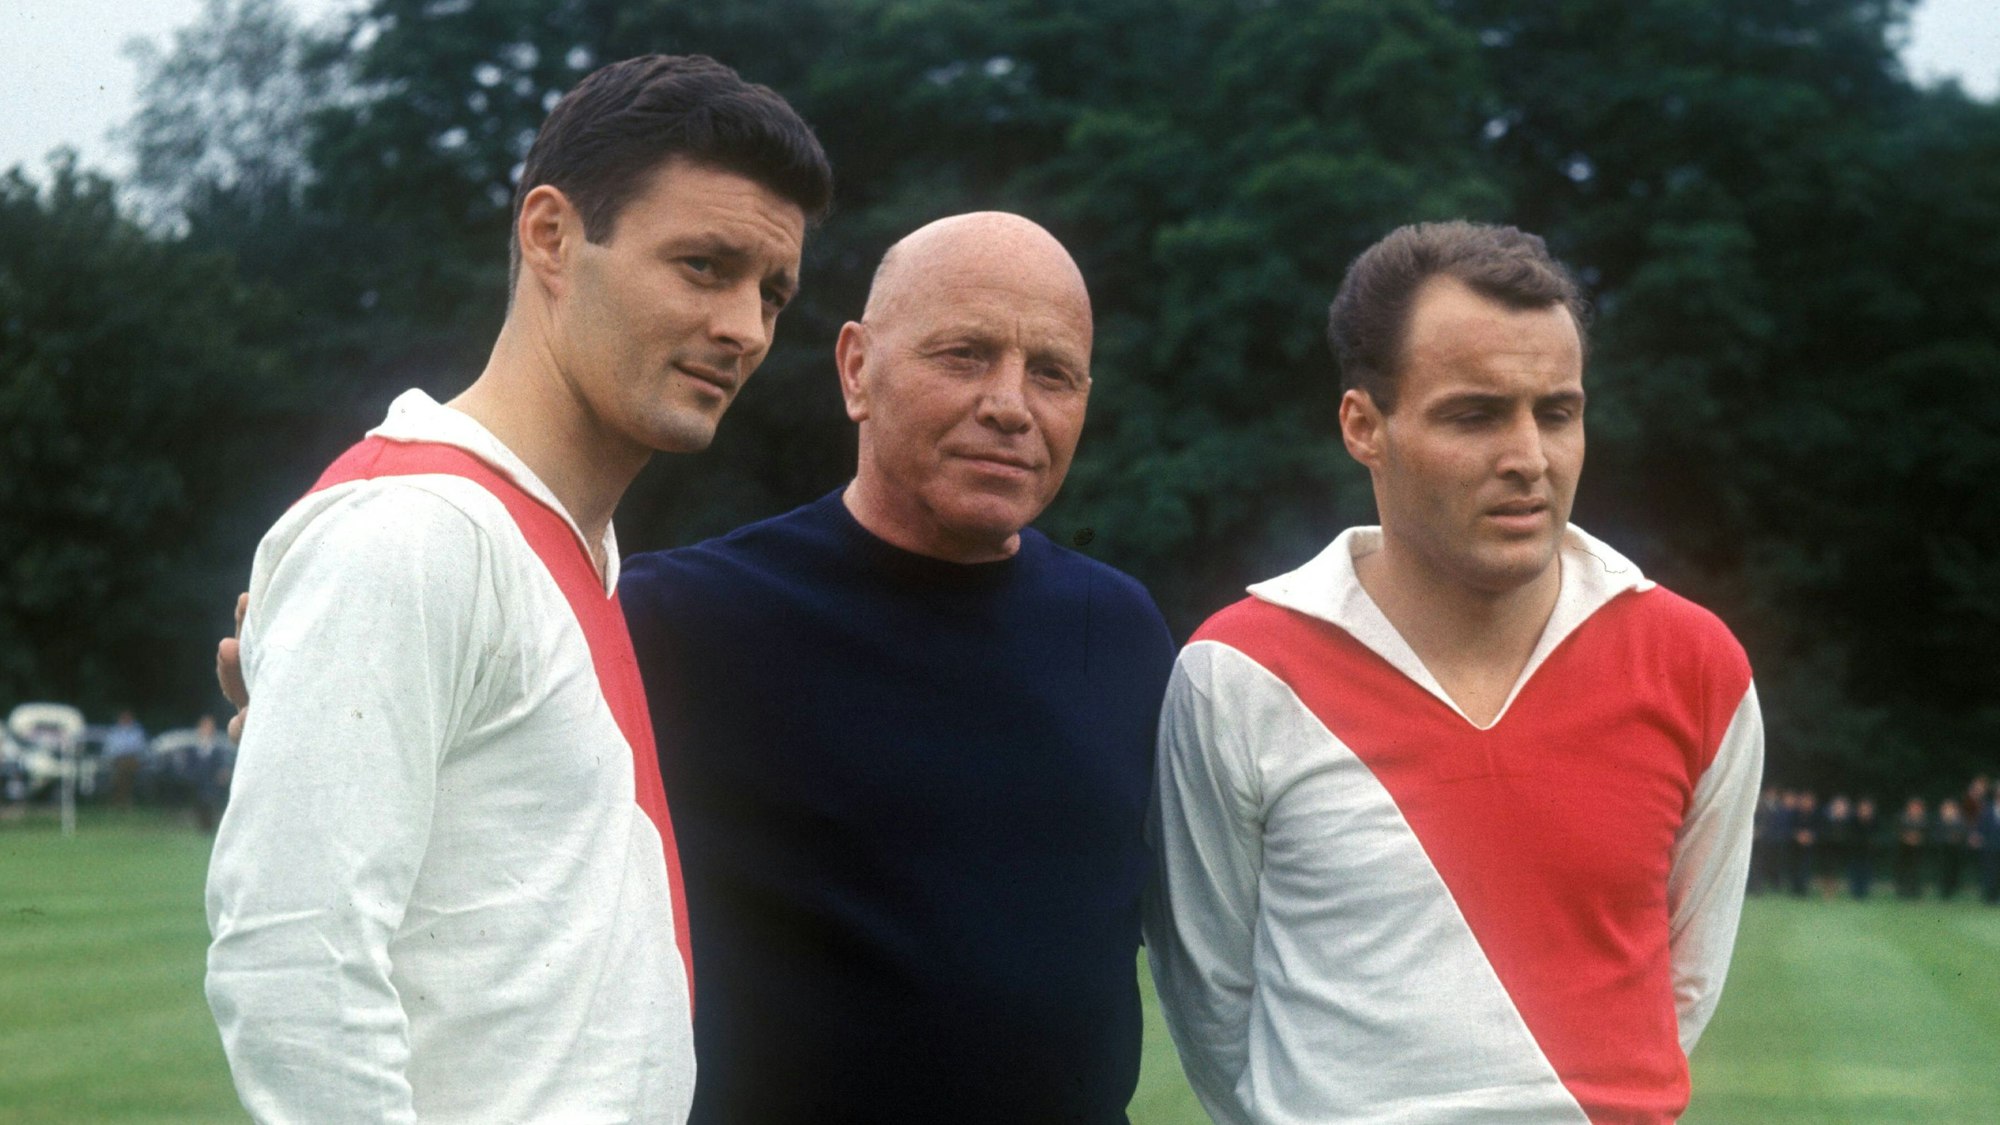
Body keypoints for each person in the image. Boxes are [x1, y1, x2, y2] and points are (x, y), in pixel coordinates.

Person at [204, 55, 831, 1123]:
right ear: (549, 237)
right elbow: (291, 967)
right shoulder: (411, 530)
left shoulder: (563, 542)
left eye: (769, 291)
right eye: (702, 266)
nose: (745, 327)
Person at [1146, 221, 1763, 1124]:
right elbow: (1211, 1000)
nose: (1528, 458)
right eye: (1475, 414)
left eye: (1557, 411)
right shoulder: (1239, 671)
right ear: (1364, 424)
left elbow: (1685, 986)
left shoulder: (1695, 664)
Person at [619, 212, 1177, 1123]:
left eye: (1052, 373)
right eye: (964, 354)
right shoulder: (682, 623)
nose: (1010, 403)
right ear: (856, 369)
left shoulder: (1115, 627)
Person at [99, 710, 147, 809]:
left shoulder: (137, 732)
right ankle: (126, 800)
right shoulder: (113, 732)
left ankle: (118, 800)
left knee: (125, 768)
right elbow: (109, 749)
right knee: (124, 769)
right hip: (117, 760)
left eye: (128, 717)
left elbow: (140, 748)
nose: (126, 720)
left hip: (133, 759)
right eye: (123, 717)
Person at [1893, 796, 1929, 899]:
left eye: (1918, 807)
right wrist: (1906, 838)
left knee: (1916, 871)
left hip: (1918, 851)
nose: (1915, 809)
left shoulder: (1924, 820)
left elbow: (1926, 834)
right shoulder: (1902, 818)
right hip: (1903, 850)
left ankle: (1915, 892)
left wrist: (1917, 839)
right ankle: (1902, 891)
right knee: (1903, 871)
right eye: (1913, 807)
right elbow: (1897, 832)